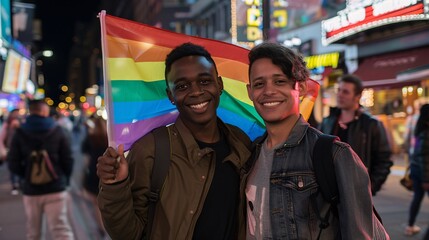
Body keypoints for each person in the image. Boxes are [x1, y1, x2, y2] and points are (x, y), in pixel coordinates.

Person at [97, 42, 252, 239]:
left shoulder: (241, 142)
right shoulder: (151, 150)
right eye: (182, 86)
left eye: (204, 81)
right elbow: (128, 233)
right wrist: (114, 186)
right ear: (171, 95)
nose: (196, 92)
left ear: (219, 85)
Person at [244, 42, 389, 239]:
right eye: (259, 84)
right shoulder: (248, 155)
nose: (269, 91)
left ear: (301, 87)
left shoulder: (334, 153)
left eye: (280, 81)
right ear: (250, 92)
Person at [7, 99, 75, 239]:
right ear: (45, 111)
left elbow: (12, 162)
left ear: (30, 111)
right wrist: (64, 178)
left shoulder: (20, 132)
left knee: (34, 233)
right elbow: (68, 159)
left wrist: (27, 175)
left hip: (31, 191)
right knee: (60, 230)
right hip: (56, 188)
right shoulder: (58, 130)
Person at [319, 74, 393, 196]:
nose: (340, 94)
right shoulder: (327, 122)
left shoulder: (371, 125)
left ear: (357, 96)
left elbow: (384, 159)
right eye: (339, 90)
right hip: (328, 191)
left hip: (357, 192)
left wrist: (371, 187)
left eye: (346, 92)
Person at [82, 114, 108, 238]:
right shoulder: (110, 137)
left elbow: (85, 159)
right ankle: (109, 226)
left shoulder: (91, 137)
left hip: (93, 173)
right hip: (107, 172)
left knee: (96, 205)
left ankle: (101, 227)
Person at [405, 103, 429, 236]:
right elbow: (424, 157)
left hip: (415, 169)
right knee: (417, 198)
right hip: (424, 173)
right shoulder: (426, 132)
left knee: (417, 198)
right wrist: (426, 179)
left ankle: (410, 226)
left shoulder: (420, 128)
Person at [0, 109, 22, 195]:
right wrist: (3, 150)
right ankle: (14, 185)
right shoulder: (7, 125)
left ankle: (20, 183)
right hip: (10, 149)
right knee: (12, 167)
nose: (16, 115)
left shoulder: (22, 123)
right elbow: (2, 138)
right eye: (15, 113)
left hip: (20, 149)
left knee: (21, 165)